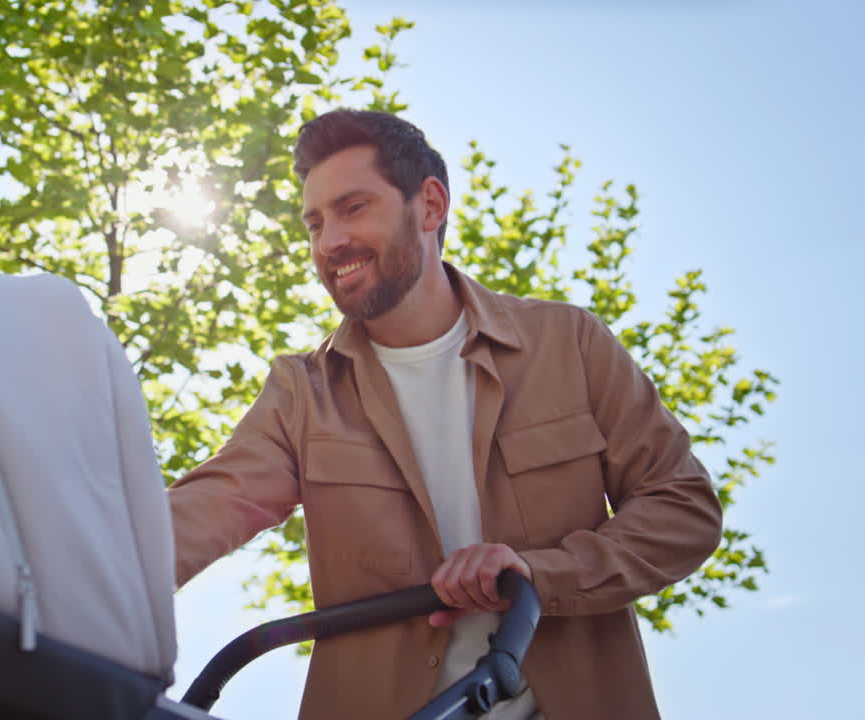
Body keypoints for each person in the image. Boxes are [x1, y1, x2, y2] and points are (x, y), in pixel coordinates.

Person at [167, 109, 723, 720]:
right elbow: (205, 510)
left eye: (353, 209)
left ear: (430, 206)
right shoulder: (303, 392)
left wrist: (543, 572)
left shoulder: (569, 343)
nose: (328, 243)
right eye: (315, 223)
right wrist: (69, 585)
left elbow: (683, 509)